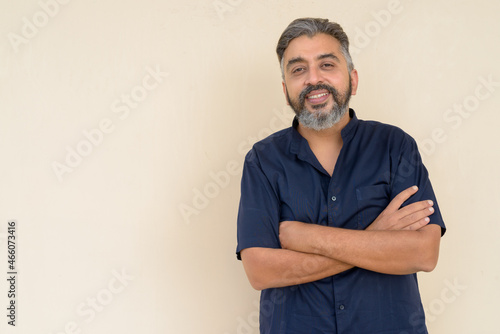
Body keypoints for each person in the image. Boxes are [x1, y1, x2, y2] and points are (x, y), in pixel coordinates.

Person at [236, 18, 446, 333]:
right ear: (285, 90)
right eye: (298, 70)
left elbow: (423, 253)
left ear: (353, 79)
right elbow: (261, 272)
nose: (313, 79)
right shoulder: (263, 161)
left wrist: (304, 237)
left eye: (327, 64)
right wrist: (378, 236)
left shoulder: (395, 146)